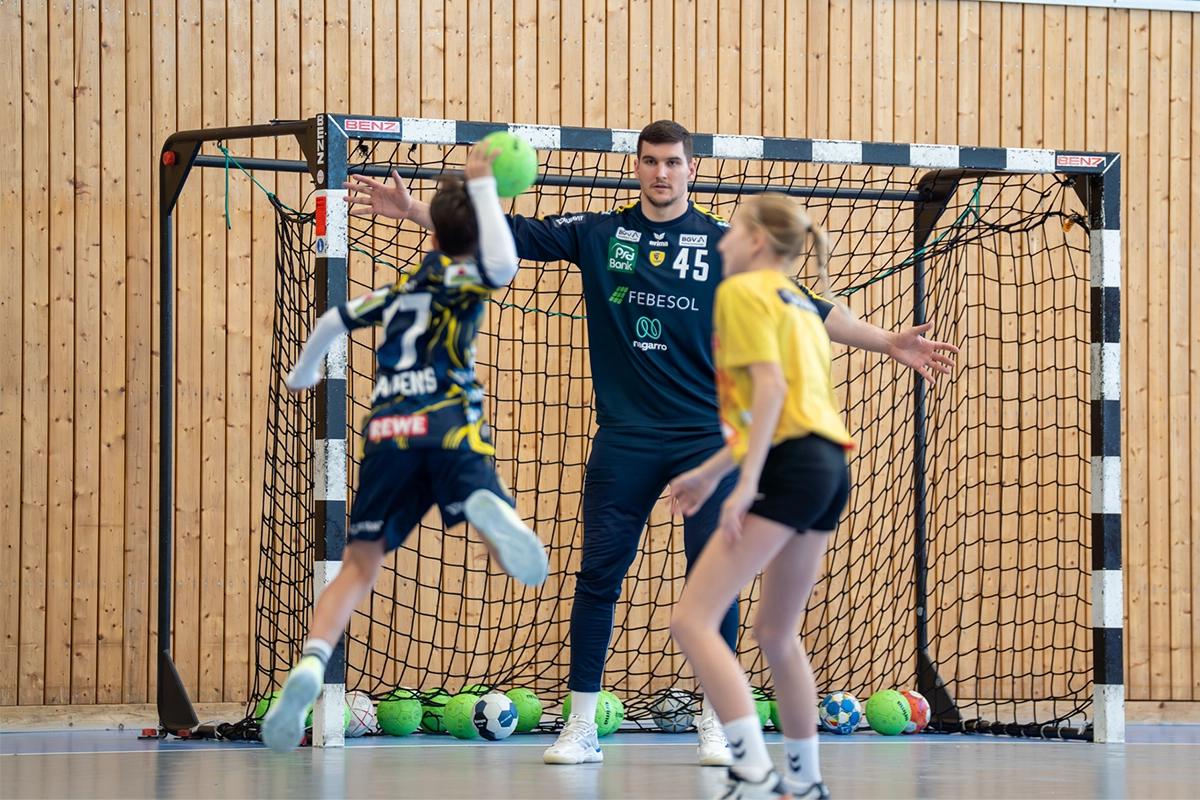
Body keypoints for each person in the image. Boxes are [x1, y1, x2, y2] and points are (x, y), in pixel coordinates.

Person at [342, 121, 957, 767]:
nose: (660, 173)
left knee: (713, 586)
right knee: (598, 575)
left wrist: (889, 339)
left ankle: (717, 723)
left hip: (705, 440)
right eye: (649, 162)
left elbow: (807, 305)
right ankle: (581, 725)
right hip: (625, 441)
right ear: (637, 167)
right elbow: (503, 237)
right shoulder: (599, 234)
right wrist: (415, 209)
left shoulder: (725, 245)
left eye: (672, 162)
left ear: (691, 169)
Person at [261, 142, 550, 754]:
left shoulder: (399, 290)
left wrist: (304, 374)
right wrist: (479, 187)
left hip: (388, 429)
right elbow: (501, 263)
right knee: (495, 533)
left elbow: (332, 322)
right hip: (449, 421)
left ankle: (314, 663)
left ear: (436, 231)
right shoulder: (471, 276)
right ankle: (480, 506)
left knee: (360, 562)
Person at [669, 195, 852, 800]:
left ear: (752, 242)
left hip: (786, 465)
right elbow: (775, 410)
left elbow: (770, 389)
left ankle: (749, 766)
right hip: (827, 465)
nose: (720, 242)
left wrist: (743, 483)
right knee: (776, 630)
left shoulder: (741, 292)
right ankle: (804, 780)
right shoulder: (798, 301)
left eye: (730, 233)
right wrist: (709, 470)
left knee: (693, 620)